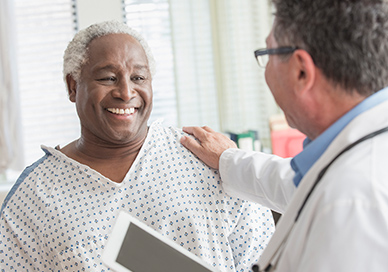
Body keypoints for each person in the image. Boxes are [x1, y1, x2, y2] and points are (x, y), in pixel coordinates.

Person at [180, 0, 388, 271]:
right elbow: (299, 184)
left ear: (301, 71)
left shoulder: (356, 204)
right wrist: (228, 160)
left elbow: (331, 193)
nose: (267, 70)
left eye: (268, 54)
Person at [0, 20, 275, 272]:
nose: (126, 93)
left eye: (138, 78)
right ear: (73, 86)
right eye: (108, 78)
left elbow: (266, 258)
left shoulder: (207, 161)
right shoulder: (34, 197)